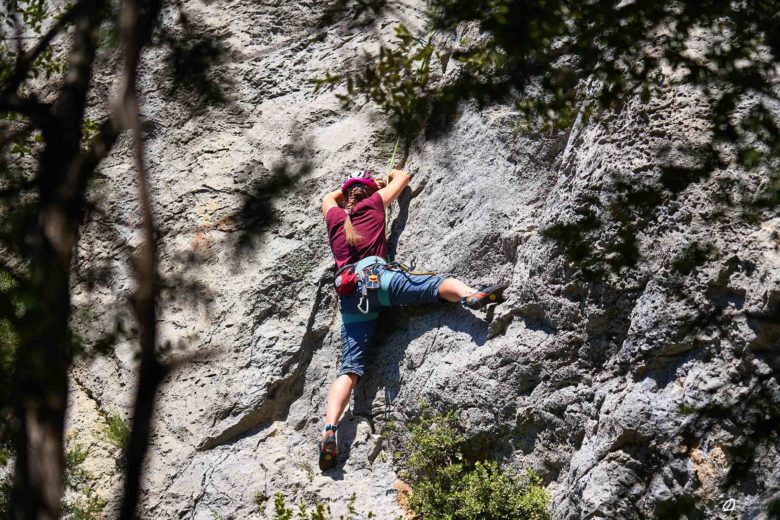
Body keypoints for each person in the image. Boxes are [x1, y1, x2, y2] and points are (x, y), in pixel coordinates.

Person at [318, 168, 506, 471]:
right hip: (379, 279)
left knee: (350, 369)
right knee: (432, 285)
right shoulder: (373, 203)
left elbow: (329, 198)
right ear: (367, 191)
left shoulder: (335, 218)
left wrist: (351, 187)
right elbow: (402, 178)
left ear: (348, 196)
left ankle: (329, 430)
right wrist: (385, 178)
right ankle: (471, 297)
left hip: (350, 295)